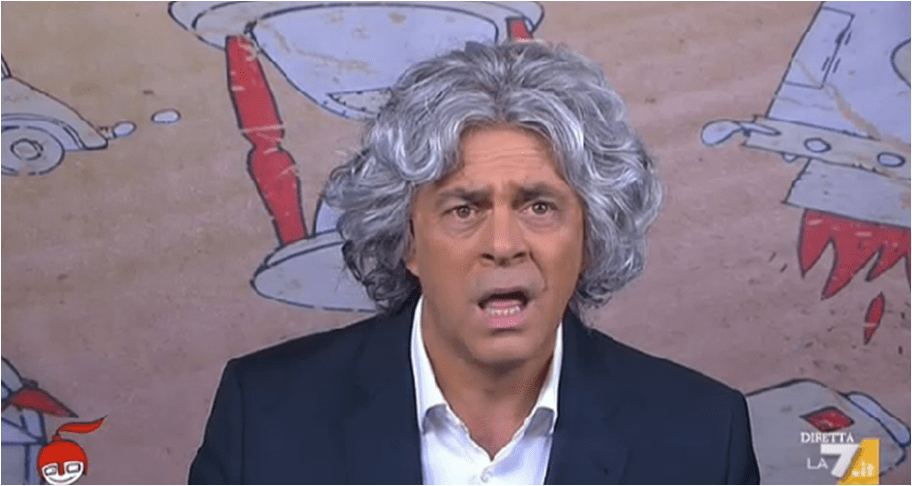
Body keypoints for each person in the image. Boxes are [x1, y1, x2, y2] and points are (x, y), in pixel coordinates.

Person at [188, 41, 760, 485]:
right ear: (407, 240)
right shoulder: (263, 417)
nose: (504, 244)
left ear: (591, 238)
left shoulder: (703, 435)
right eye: (465, 209)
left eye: (539, 206)